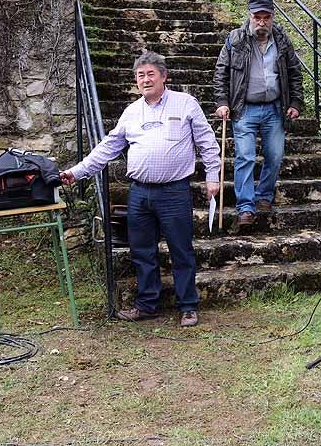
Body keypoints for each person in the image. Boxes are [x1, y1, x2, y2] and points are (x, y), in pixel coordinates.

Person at [61, 51, 220, 325]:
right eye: (140, 75)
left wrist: (213, 176)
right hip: (140, 193)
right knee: (142, 250)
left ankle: (188, 306)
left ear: (164, 77)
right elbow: (108, 147)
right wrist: (77, 172)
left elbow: (206, 141)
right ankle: (147, 304)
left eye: (150, 74)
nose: (145, 80)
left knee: (181, 249)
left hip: (174, 191)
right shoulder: (132, 112)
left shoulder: (186, 104)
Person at [213, 0, 304, 229]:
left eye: (266, 17)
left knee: (274, 156)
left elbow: (294, 72)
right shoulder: (235, 39)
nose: (262, 22)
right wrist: (223, 101)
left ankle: (263, 196)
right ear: (250, 16)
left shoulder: (282, 39)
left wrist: (295, 103)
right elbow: (221, 72)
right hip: (244, 109)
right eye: (257, 17)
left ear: (272, 17)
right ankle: (245, 207)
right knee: (245, 157)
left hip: (275, 108)